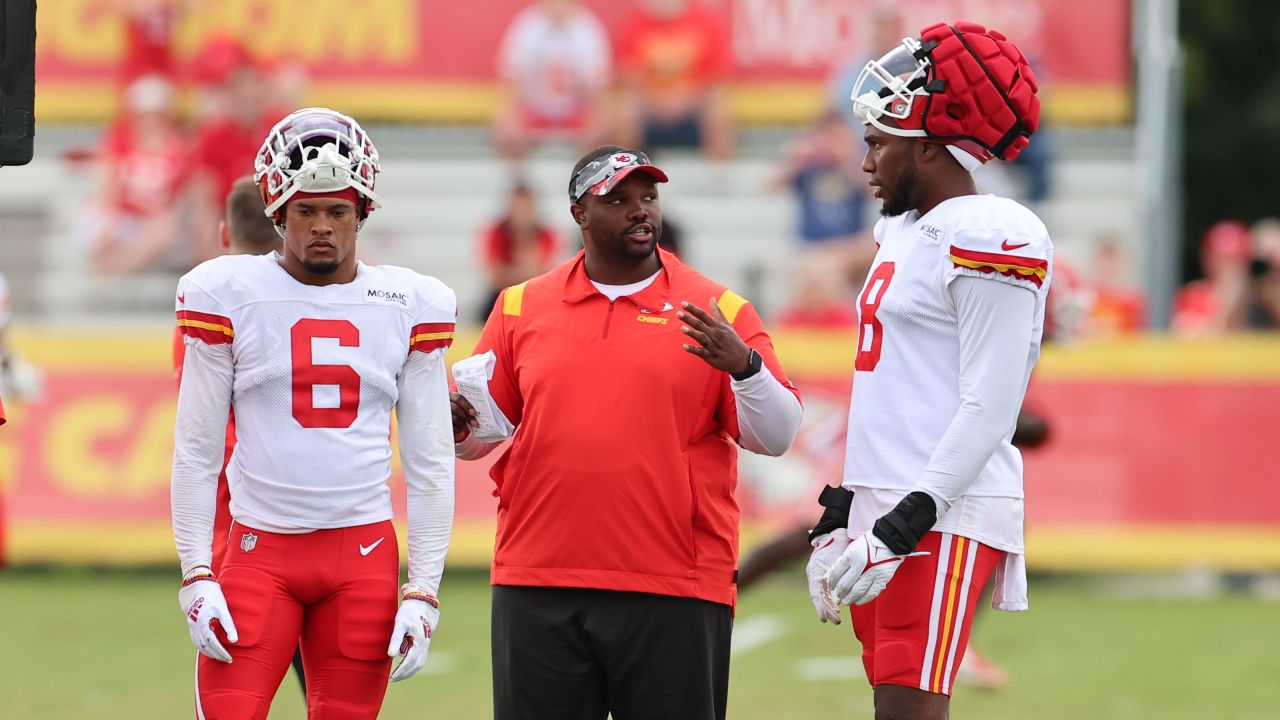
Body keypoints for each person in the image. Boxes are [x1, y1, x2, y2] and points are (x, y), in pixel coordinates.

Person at [451, 145, 802, 720]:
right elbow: (481, 439)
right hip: (538, 576)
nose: (640, 210)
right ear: (580, 214)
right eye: (618, 199)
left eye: (648, 197)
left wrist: (744, 367)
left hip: (675, 583)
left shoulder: (719, 308)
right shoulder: (518, 306)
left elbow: (777, 435)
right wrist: (458, 425)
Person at [170, 108, 456, 718]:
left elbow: (431, 462)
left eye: (338, 210)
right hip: (258, 551)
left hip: (363, 557)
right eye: (306, 210)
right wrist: (196, 573)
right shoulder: (230, 292)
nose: (322, 226)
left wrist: (424, 588)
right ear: (277, 211)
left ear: (363, 212)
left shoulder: (408, 302)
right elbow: (195, 449)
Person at [804, 22, 1050, 719]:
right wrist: (841, 513)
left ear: (934, 146)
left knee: (908, 711)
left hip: (942, 511)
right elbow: (891, 390)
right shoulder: (902, 231)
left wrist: (902, 526)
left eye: (880, 143)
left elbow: (989, 408)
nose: (866, 161)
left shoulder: (994, 231)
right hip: (890, 504)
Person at [613, 0, 735, 161]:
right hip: (649, 104)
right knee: (624, 113)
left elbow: (716, 79)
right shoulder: (635, 24)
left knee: (719, 112)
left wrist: (684, 99)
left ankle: (718, 176)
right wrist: (657, 101)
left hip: (694, 103)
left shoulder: (707, 22)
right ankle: (627, 175)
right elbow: (628, 76)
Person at [491, 0, 612, 161]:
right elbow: (513, 75)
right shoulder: (527, 25)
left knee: (610, 128)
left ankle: (584, 181)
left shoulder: (587, 27)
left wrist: (596, 118)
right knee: (505, 130)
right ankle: (520, 182)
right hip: (535, 109)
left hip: (575, 111)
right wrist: (512, 116)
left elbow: (597, 82)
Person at [476, 182, 560, 320]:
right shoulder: (497, 232)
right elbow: (495, 276)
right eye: (517, 207)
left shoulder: (545, 234)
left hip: (534, 296)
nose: (521, 213)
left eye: (525, 207)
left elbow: (541, 271)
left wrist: (525, 237)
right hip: (501, 296)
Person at [1172, 220, 1253, 336]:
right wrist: (1227, 305)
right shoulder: (1194, 295)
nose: (1226, 266)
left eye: (1234, 259)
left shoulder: (1262, 297)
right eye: (1219, 258)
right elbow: (1187, 338)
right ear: (1206, 258)